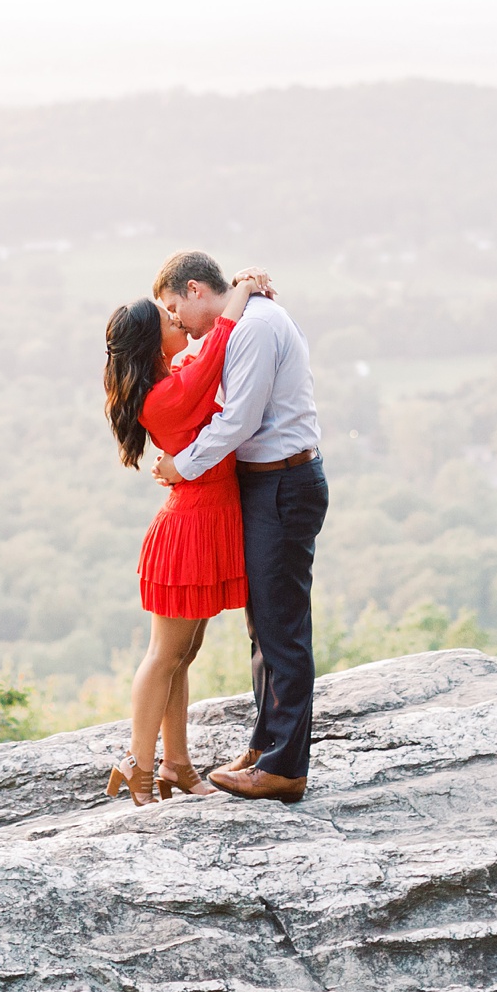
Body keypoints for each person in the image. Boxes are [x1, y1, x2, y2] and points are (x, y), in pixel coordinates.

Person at [151, 250, 325, 804]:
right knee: (264, 624)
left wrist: (183, 465)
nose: (176, 321)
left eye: (177, 308)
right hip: (268, 484)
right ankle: (266, 746)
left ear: (197, 289)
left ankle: (284, 768)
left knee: (282, 627)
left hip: (282, 484)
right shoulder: (246, 320)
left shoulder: (253, 328)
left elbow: (239, 420)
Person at [100, 271, 270, 804]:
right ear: (155, 343)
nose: (179, 321)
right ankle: (140, 767)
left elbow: (203, 357)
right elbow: (218, 345)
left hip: (202, 522)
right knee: (163, 656)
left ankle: (178, 765)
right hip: (188, 531)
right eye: (171, 320)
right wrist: (239, 292)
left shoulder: (173, 378)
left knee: (183, 654)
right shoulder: (168, 395)